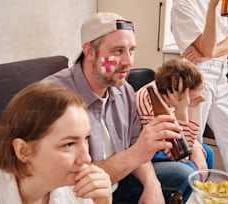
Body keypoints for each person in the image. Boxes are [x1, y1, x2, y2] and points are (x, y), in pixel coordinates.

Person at [42, 12, 196, 203]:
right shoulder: (53, 97)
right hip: (80, 194)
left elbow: (134, 145)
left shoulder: (124, 91)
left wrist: (152, 184)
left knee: (185, 174)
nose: (128, 62)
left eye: (131, 50)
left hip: (120, 182)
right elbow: (66, 181)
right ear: (90, 51)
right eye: (117, 51)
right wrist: (137, 152)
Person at [171, 0, 228, 199]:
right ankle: (190, 193)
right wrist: (211, 9)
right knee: (194, 141)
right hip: (197, 76)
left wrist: (208, 53)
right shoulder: (183, 4)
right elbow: (207, 47)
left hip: (220, 75)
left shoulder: (226, 4)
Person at [0, 82, 112, 204]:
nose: (87, 159)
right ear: (23, 151)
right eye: (68, 144)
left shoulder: (76, 186)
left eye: (86, 139)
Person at [136, 59, 214, 175]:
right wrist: (182, 109)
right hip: (153, 152)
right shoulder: (150, 107)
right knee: (190, 168)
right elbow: (180, 155)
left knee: (208, 152)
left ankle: (198, 191)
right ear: (177, 91)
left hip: (168, 141)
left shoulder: (168, 93)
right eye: (195, 96)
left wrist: (196, 148)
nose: (202, 99)